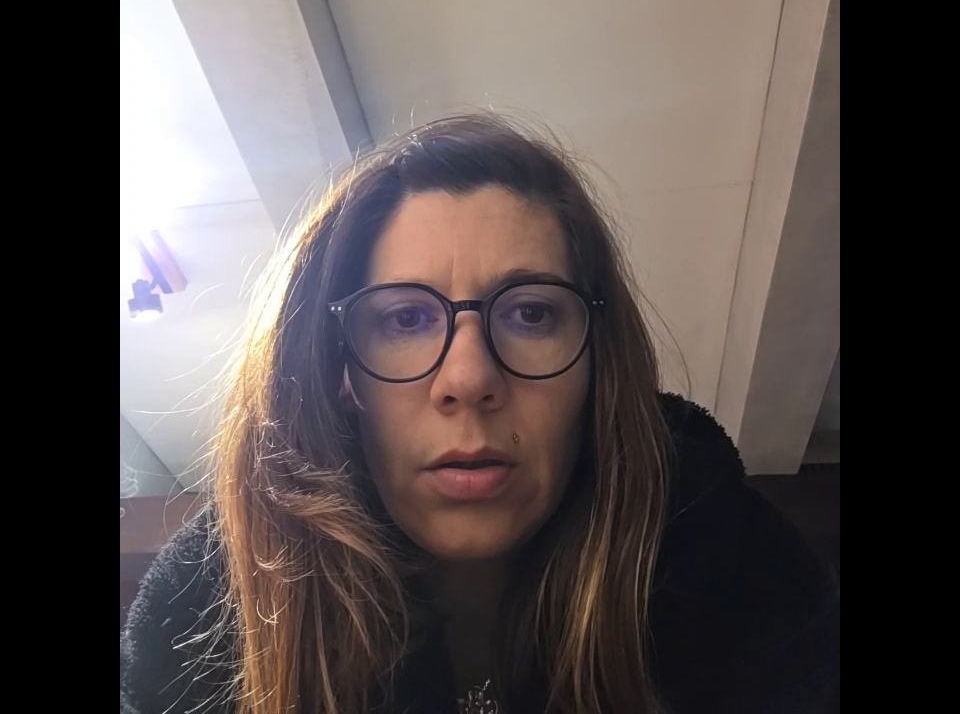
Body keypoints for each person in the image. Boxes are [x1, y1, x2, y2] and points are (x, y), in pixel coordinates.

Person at [121, 112, 839, 714]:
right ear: (339, 373)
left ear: (598, 365)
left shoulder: (728, 558)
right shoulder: (202, 613)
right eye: (404, 319)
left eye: (531, 313)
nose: (468, 379)